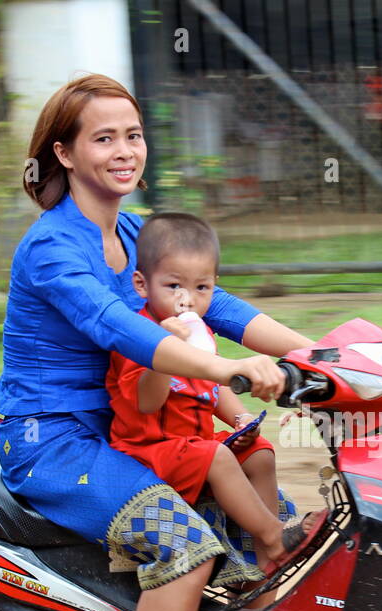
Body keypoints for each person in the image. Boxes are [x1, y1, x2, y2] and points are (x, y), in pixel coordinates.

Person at [0, 73, 314, 611]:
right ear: (65, 153)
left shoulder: (138, 235)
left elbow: (220, 306)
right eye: (103, 138)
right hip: (55, 444)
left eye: (132, 135)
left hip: (133, 433)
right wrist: (223, 368)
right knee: (186, 547)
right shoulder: (51, 248)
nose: (123, 150)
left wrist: (330, 356)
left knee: (281, 509)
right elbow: (119, 328)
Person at [106, 212, 310, 576]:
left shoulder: (201, 333)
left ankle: (265, 559)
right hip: (148, 450)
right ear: (141, 284)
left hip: (191, 444)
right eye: (173, 287)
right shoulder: (138, 336)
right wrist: (162, 353)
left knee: (259, 452)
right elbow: (146, 403)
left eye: (201, 288)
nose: (187, 300)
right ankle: (274, 536)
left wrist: (239, 419)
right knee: (217, 456)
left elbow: (211, 390)